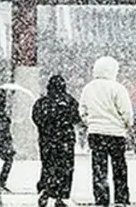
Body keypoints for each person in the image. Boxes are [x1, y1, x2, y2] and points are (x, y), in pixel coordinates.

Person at [79, 56, 133, 207]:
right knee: (119, 167)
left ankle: (101, 198)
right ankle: (121, 198)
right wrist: (126, 125)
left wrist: (90, 122)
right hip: (116, 133)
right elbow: (126, 111)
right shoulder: (117, 88)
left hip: (96, 132)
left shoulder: (88, 88)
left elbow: (82, 110)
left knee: (99, 167)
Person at [32, 75, 81, 207]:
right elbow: (77, 118)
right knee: (65, 168)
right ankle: (61, 195)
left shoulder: (41, 102)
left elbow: (36, 118)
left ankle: (45, 188)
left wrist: (46, 128)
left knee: (48, 166)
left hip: (47, 140)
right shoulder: (70, 101)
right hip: (65, 140)